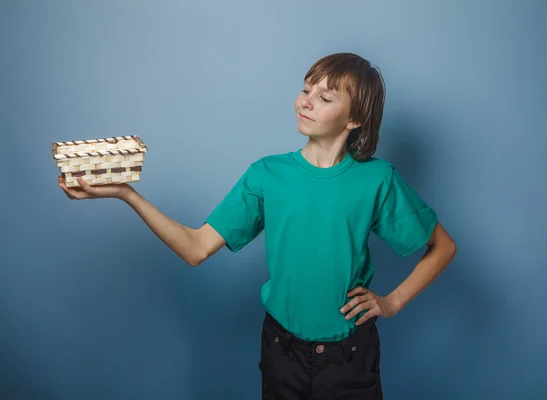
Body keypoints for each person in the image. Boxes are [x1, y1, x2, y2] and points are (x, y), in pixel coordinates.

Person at [58, 52, 456, 399]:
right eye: (306, 89)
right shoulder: (266, 174)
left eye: (325, 97)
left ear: (354, 118)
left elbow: (443, 248)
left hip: (351, 359)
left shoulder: (377, 180)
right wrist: (128, 194)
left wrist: (392, 301)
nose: (306, 102)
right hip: (282, 353)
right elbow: (195, 248)